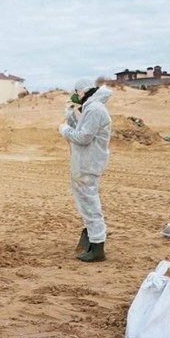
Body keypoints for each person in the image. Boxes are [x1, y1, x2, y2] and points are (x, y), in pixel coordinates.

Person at [58, 78, 113, 262]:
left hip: (88, 164)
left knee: (90, 205)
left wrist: (64, 130)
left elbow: (83, 138)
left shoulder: (94, 109)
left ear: (82, 92)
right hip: (85, 163)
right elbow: (82, 130)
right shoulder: (91, 107)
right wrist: (70, 115)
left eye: (76, 92)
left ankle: (97, 247)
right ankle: (92, 240)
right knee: (86, 204)